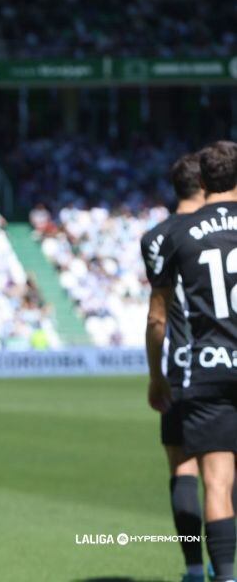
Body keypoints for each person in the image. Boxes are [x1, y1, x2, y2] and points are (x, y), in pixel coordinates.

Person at [153, 140, 237, 582]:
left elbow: (157, 316)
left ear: (204, 182)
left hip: (202, 366)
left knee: (215, 480)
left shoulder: (172, 234)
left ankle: (213, 573)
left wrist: (155, 375)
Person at [142, 153, 207, 582]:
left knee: (182, 467)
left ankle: (193, 569)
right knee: (225, 469)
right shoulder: (225, 230)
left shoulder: (157, 236)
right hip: (224, 359)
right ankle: (227, 566)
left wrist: (156, 375)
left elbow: (156, 315)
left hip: (180, 366)